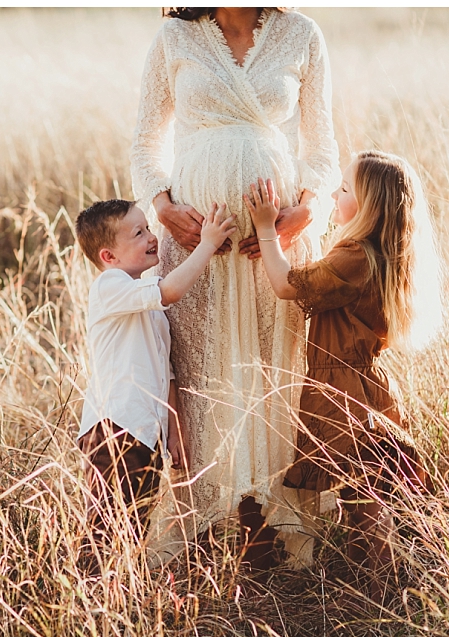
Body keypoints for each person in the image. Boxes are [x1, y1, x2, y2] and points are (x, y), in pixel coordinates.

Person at [130, 7, 340, 567]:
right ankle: (205, 522)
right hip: (196, 243)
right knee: (200, 369)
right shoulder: (176, 36)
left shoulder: (301, 34)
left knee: (273, 369)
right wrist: (163, 207)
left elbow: (323, 147)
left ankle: (268, 523)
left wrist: (308, 211)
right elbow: (145, 141)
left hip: (274, 244)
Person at [245, 150, 441, 598]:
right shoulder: (377, 253)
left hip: (345, 393)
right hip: (363, 387)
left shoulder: (356, 256)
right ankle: (376, 588)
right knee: (363, 494)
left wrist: (265, 227)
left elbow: (286, 285)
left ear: (369, 206)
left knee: (366, 500)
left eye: (345, 188)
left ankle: (384, 590)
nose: (334, 194)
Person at [75, 198, 237, 564]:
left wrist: (174, 429)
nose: (152, 237)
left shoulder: (145, 301)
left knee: (133, 526)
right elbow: (171, 291)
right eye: (139, 233)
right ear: (108, 256)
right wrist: (208, 243)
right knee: (104, 529)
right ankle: (90, 590)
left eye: (148, 228)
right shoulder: (110, 286)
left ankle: (123, 590)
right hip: (114, 427)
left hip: (146, 433)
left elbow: (167, 372)